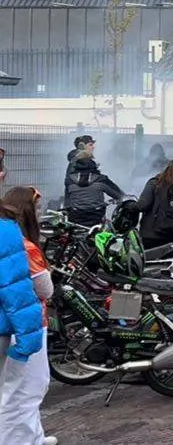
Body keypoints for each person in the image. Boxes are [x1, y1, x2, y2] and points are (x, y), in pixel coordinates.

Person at [0, 190, 50, 445]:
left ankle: (33, 436)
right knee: (23, 394)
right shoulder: (18, 242)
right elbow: (42, 290)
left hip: (12, 326)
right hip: (19, 327)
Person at [137, 160, 173, 249]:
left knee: (149, 261)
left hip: (150, 235)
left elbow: (142, 205)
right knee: (167, 262)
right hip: (172, 237)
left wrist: (131, 205)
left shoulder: (155, 183)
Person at [64, 151, 124, 226]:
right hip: (96, 218)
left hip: (75, 218)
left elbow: (67, 202)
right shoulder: (101, 179)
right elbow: (119, 195)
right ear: (92, 162)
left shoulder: (69, 180)